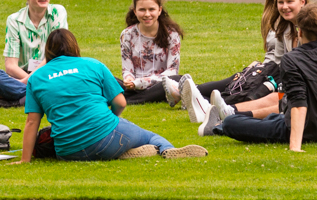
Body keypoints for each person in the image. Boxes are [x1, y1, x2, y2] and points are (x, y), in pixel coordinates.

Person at [207, 6, 317, 150]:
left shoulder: (293, 59)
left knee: (231, 123)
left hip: (303, 128)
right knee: (274, 117)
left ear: (299, 31)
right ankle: (223, 123)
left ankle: (220, 125)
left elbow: (298, 103)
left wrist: (295, 146)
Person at [20, 30, 206, 162]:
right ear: (74, 47)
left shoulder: (36, 78)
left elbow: (31, 123)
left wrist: (24, 160)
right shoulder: (93, 65)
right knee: (149, 136)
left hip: (67, 152)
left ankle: (122, 151)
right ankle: (167, 149)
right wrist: (111, 120)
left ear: (48, 52)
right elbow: (120, 102)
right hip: (106, 138)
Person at [178, 0, 317, 122]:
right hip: (292, 82)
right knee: (262, 85)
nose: (284, 6)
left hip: (316, 87)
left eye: (289, 1)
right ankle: (217, 109)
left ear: (302, 1)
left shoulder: (314, 24)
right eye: (280, 2)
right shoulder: (285, 28)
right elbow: (279, 65)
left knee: (273, 94)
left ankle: (219, 110)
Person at [0, 0, 68, 105]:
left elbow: (54, 55)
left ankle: (15, 101)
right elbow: (11, 66)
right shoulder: (14, 20)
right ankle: (44, 95)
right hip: (25, 74)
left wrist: (25, 82)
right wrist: (30, 79)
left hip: (53, 72)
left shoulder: (57, 12)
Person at [119, 0, 184, 105]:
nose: (147, 14)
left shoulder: (172, 34)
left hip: (159, 86)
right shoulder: (127, 35)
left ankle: (129, 99)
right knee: (106, 80)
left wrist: (140, 83)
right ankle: (137, 97)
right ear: (135, 11)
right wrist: (129, 79)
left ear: (159, 10)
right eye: (142, 10)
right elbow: (127, 69)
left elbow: (172, 71)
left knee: (177, 79)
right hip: (133, 87)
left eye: (151, 9)